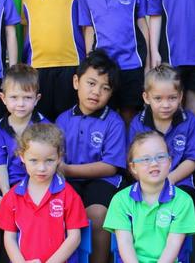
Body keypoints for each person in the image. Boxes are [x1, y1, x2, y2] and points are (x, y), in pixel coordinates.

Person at [56, 49, 126, 263]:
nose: (96, 92)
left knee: (97, 215)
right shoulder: (62, 119)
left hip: (102, 181)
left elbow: (110, 166)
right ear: (76, 82)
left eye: (105, 88)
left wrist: (67, 170)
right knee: (58, 213)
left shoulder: (114, 122)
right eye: (91, 83)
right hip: (69, 182)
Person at [80, 0, 150, 125]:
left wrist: (149, 60)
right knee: (103, 114)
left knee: (130, 114)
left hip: (131, 64)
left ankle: (129, 153)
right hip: (102, 66)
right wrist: (89, 62)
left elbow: (142, 24)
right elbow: (89, 29)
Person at [0, 123, 88, 262]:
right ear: (22, 157)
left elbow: (75, 237)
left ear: (59, 158)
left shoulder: (69, 195)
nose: (42, 168)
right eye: (33, 160)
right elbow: (9, 238)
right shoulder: (12, 197)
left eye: (49, 160)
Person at [22, 0, 85, 122]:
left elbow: (84, 25)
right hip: (37, 65)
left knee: (68, 118)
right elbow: (26, 26)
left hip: (71, 63)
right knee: (42, 120)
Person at [104, 131, 195, 263]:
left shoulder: (183, 201)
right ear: (133, 168)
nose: (154, 163)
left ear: (170, 162)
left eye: (160, 157)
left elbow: (173, 244)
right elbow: (125, 243)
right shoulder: (120, 200)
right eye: (145, 159)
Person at [0, 64, 47, 220]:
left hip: (38, 181)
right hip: (7, 183)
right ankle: (0, 245)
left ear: (37, 99)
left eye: (27, 97)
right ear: (3, 98)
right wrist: (7, 194)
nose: (20, 103)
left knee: (35, 213)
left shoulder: (44, 127)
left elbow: (50, 163)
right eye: (14, 97)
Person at [129, 64, 195, 199]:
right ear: (146, 98)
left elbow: (192, 160)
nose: (166, 105)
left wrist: (169, 179)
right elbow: (133, 161)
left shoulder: (189, 121)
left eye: (172, 98)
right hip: (146, 181)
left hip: (179, 181)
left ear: (180, 97)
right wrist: (151, 182)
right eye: (158, 98)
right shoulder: (138, 123)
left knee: (182, 201)